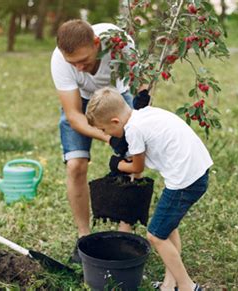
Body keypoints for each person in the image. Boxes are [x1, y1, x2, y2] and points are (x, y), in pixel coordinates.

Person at [86, 87, 211, 291]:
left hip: (185, 180)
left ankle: (187, 286)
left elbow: (137, 167)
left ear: (115, 122)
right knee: (168, 229)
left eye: (104, 130)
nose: (104, 134)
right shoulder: (144, 113)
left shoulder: (133, 130)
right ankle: (169, 286)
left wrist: (116, 165)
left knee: (155, 235)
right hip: (196, 170)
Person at [50, 19, 143, 263]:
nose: (79, 68)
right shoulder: (60, 60)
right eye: (73, 63)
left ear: (96, 43)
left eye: (84, 60)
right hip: (81, 102)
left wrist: (134, 130)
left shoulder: (121, 45)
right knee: (75, 165)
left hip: (116, 96)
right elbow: (73, 116)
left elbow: (139, 85)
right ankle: (83, 239)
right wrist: (109, 139)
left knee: (133, 159)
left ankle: (125, 235)